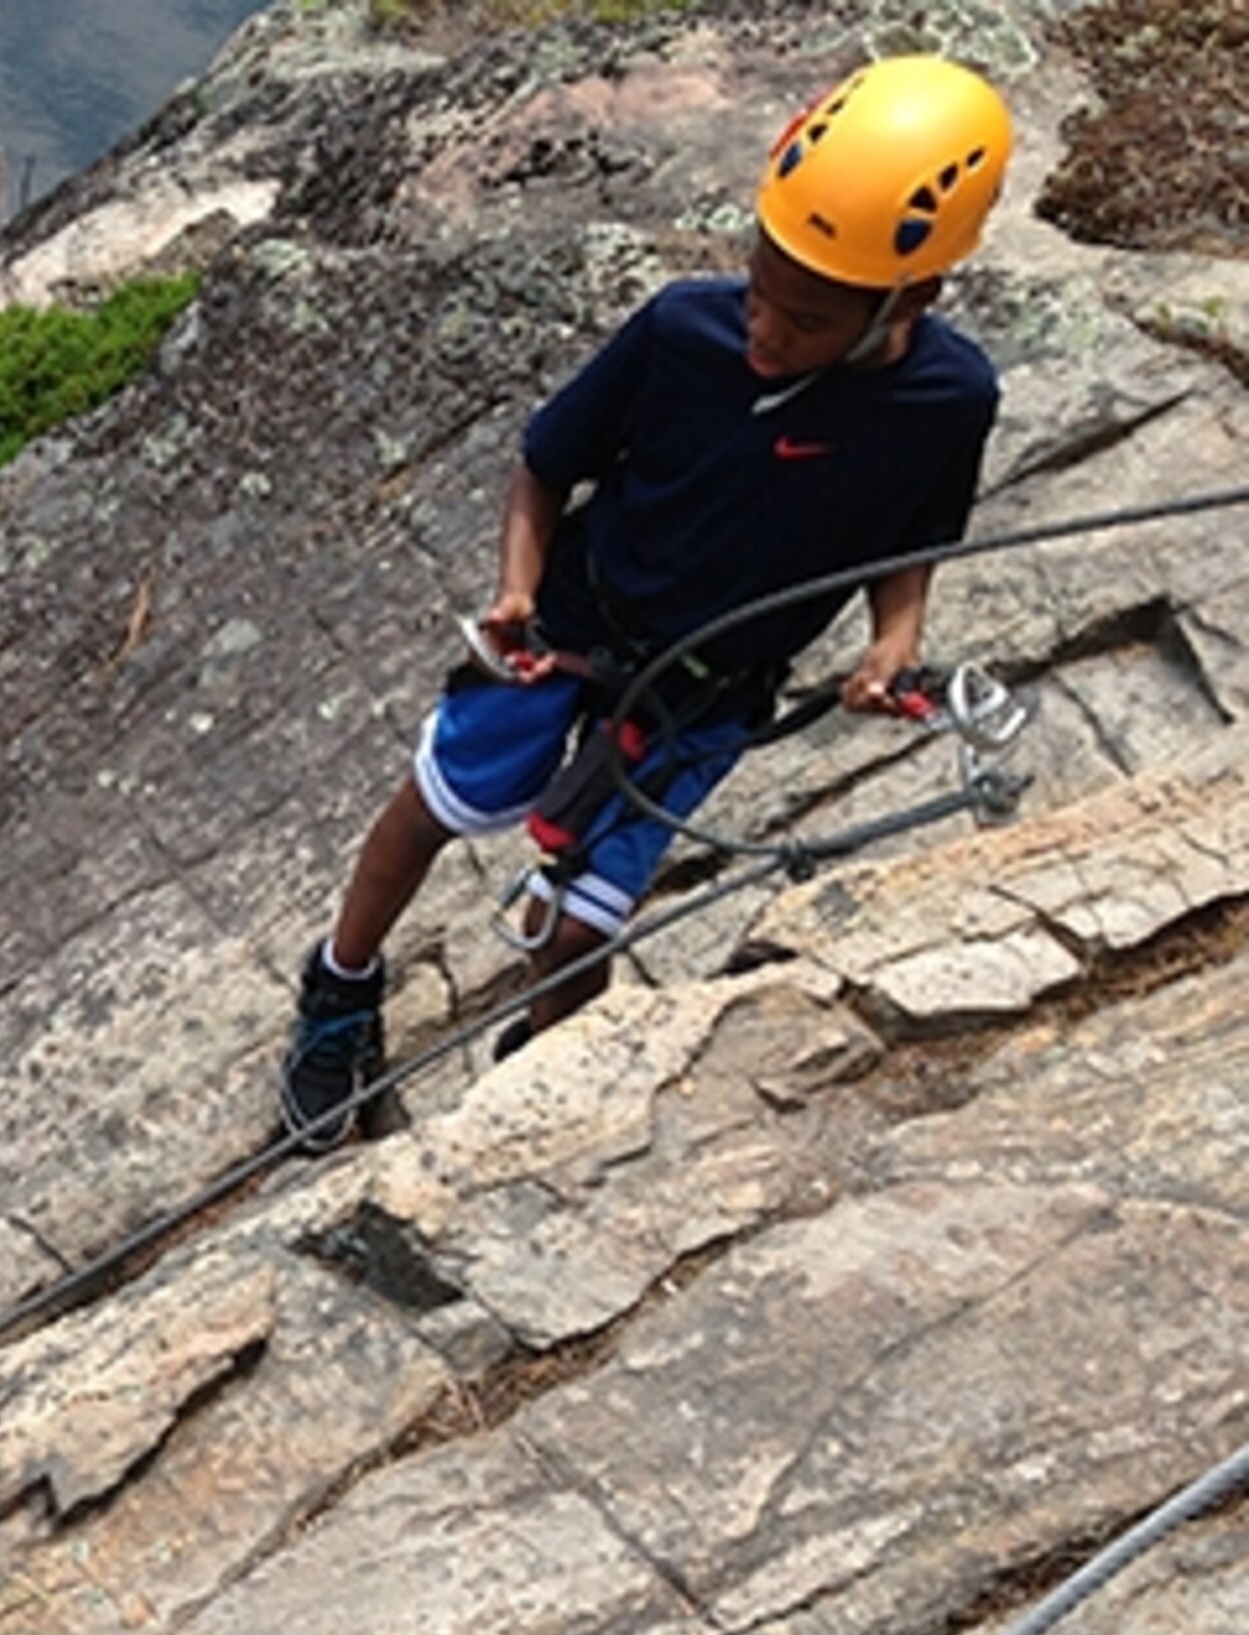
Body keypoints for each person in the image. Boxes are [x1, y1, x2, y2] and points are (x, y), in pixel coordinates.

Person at [278, 54, 1012, 1151]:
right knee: (434, 804)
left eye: (805, 318)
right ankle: (339, 986)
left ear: (917, 296)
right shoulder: (683, 332)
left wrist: (893, 644)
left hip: (704, 695)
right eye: (760, 289)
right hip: (572, 632)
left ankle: (533, 1088)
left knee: (582, 929)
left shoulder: (950, 401)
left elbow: (913, 537)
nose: (765, 329)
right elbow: (545, 465)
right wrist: (518, 590)